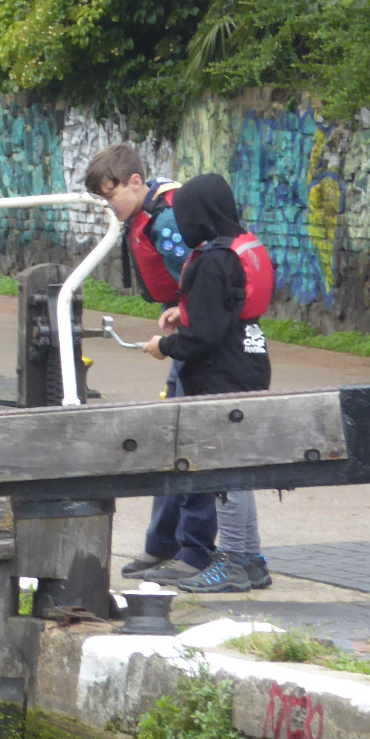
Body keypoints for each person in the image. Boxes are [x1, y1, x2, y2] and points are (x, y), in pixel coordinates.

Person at [84, 145, 218, 580]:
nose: (110, 206)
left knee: (186, 441)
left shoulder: (166, 222)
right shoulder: (156, 210)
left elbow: (200, 282)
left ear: (136, 182)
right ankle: (162, 543)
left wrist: (175, 337)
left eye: (111, 196)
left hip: (196, 340)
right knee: (169, 438)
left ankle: (193, 550)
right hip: (184, 327)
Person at [154, 173, 274, 594]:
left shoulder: (210, 261)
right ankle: (251, 558)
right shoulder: (237, 248)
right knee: (238, 468)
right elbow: (227, 307)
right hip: (249, 359)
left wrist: (164, 345)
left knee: (226, 471)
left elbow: (202, 337)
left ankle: (234, 560)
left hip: (222, 372)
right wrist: (184, 313)